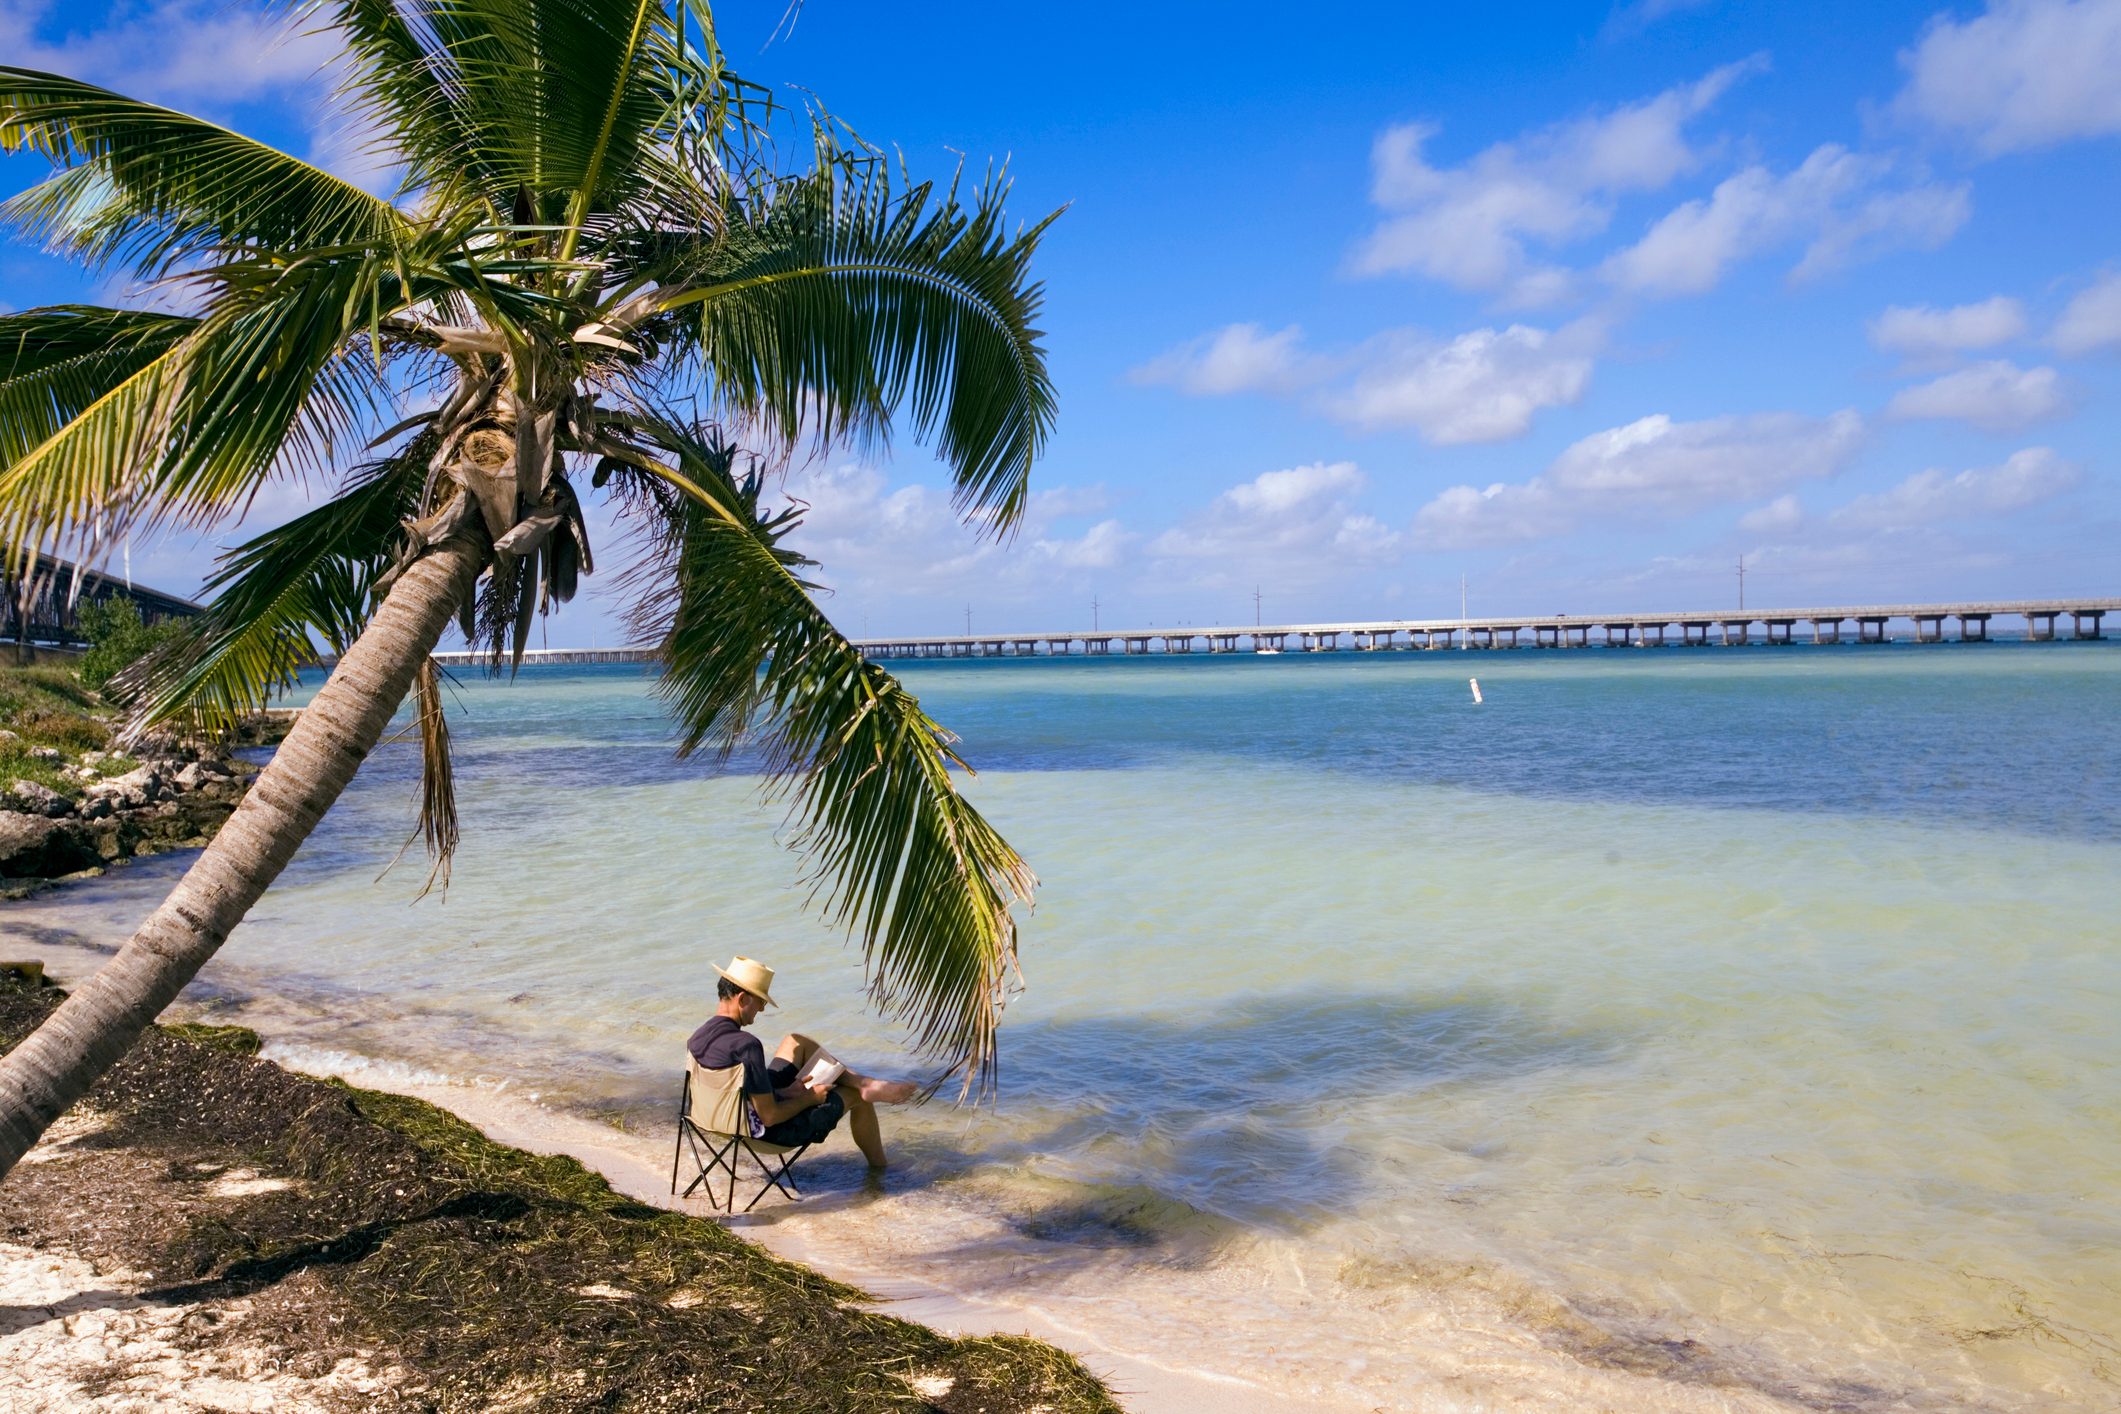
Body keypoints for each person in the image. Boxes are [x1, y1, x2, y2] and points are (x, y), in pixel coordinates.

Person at [686, 955, 919, 1170]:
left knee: (795, 1041)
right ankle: (880, 1170)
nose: (762, 1008)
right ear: (743, 998)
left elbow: (733, 1092)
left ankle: (864, 1083)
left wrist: (786, 1093)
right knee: (855, 1096)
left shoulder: (698, 1037)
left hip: (717, 1121)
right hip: (766, 1133)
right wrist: (810, 1098)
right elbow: (769, 1117)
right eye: (760, 1001)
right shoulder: (746, 1045)